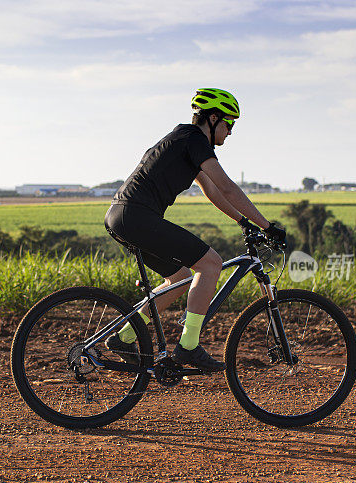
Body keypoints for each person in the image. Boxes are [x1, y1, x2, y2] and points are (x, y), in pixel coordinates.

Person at [104, 88, 286, 372]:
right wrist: (267, 226)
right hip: (136, 216)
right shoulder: (194, 140)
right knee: (211, 263)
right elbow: (227, 186)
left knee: (180, 277)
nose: (230, 132)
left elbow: (212, 190)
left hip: (122, 216)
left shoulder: (183, 141)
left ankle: (125, 337)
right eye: (229, 124)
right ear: (213, 119)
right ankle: (188, 347)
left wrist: (243, 222)